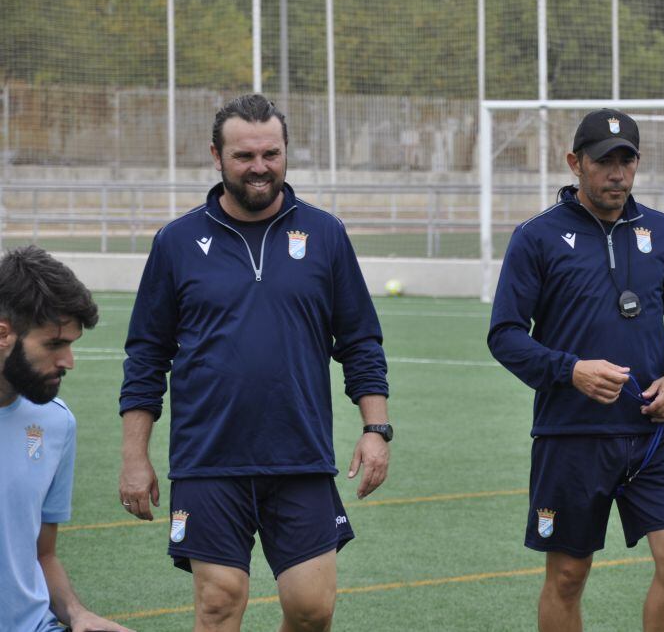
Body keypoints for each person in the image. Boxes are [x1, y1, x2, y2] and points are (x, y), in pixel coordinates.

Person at [118, 94, 393, 631]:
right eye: (244, 156)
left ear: (286, 153)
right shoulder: (176, 241)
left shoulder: (325, 234)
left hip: (300, 455)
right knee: (220, 602)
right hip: (209, 458)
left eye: (272, 153)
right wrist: (135, 456)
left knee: (312, 609)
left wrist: (375, 428)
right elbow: (147, 356)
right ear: (216, 157)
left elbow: (360, 339)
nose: (260, 166)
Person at [488, 109, 664, 632]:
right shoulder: (536, 237)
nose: (616, 173)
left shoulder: (662, 231)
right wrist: (571, 371)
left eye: (626, 160)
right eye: (603, 161)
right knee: (567, 575)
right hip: (572, 433)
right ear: (575, 163)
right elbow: (505, 336)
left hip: (653, 434)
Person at [0, 246, 134, 632]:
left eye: (71, 344)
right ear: (4, 334)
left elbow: (43, 553)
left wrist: (76, 614)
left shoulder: (56, 424)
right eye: (54, 344)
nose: (68, 362)